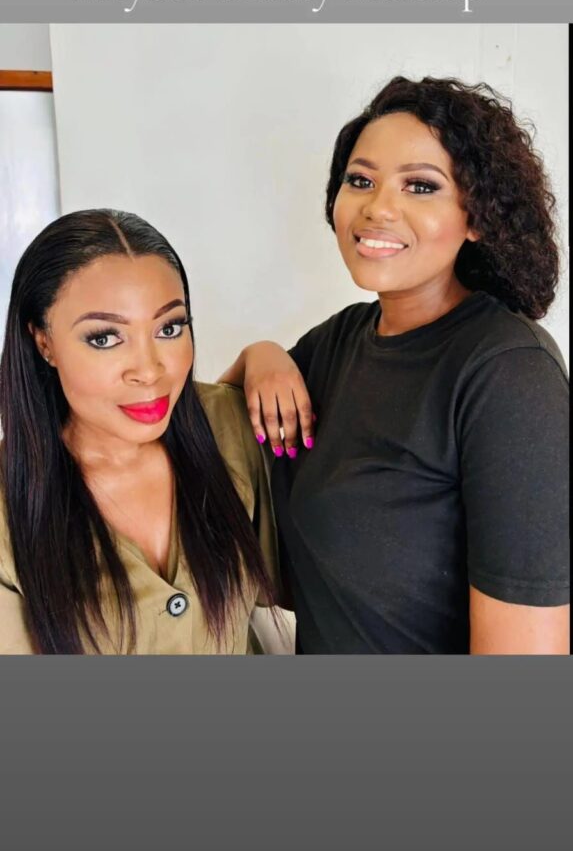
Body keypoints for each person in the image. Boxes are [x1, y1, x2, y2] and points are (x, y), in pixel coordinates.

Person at [221, 76, 570, 655]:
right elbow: (214, 430)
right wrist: (260, 355)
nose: (378, 207)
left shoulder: (509, 374)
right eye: (360, 180)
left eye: (421, 186)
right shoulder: (337, 342)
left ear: (477, 217)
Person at [0, 209, 281, 654]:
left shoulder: (231, 425)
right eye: (105, 338)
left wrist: (267, 355)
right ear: (44, 342)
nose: (150, 371)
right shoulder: (10, 508)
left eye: (170, 328)